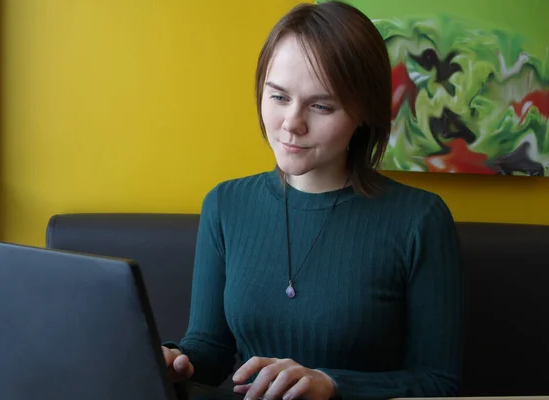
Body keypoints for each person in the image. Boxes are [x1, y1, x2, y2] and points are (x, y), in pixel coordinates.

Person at [162, 1, 464, 399]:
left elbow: (437, 382)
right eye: (279, 97)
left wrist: (333, 384)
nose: (291, 123)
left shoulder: (420, 220)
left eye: (321, 106)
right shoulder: (225, 204)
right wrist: (177, 361)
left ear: (364, 114)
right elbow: (211, 349)